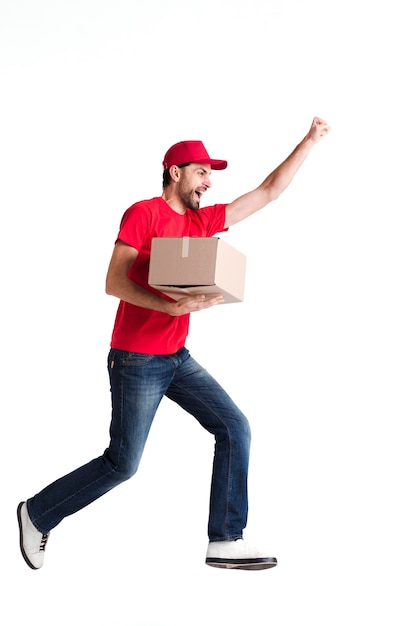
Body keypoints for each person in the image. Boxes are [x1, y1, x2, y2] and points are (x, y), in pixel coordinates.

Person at [17, 117, 330, 571]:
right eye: (202, 172)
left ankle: (225, 538)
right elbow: (113, 281)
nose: (208, 182)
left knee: (234, 427)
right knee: (122, 464)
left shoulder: (203, 223)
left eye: (211, 175)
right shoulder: (143, 213)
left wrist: (309, 141)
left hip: (176, 358)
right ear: (175, 172)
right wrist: (168, 308)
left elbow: (266, 193)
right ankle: (37, 512)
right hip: (136, 359)